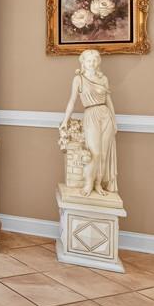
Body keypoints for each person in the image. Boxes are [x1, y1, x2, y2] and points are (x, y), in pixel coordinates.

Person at [60, 49, 118, 196]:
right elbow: (72, 101)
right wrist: (65, 120)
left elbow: (109, 101)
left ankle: (98, 184)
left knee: (104, 154)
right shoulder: (78, 79)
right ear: (83, 62)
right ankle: (88, 183)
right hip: (91, 115)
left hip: (106, 115)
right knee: (95, 153)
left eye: (94, 60)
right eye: (88, 60)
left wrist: (114, 120)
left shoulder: (103, 79)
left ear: (97, 62)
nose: (91, 63)